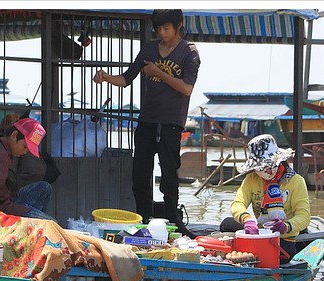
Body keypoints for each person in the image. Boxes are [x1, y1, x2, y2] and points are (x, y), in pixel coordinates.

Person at [92, 9, 200, 238]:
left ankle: (174, 223)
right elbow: (126, 78)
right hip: (147, 121)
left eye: (166, 28)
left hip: (171, 123)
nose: (162, 33)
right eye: (159, 29)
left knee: (169, 175)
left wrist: (159, 73)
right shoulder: (149, 49)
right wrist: (105, 77)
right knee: (140, 174)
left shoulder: (188, 52)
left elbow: (187, 88)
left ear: (178, 25)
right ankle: (144, 220)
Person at [219, 134, 311, 263]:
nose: (265, 171)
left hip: (282, 240)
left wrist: (285, 226)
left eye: (269, 166)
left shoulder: (295, 181)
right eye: (260, 168)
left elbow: (304, 216)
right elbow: (238, 203)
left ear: (278, 162)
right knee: (227, 223)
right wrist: (247, 220)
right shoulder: (252, 180)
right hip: (259, 234)